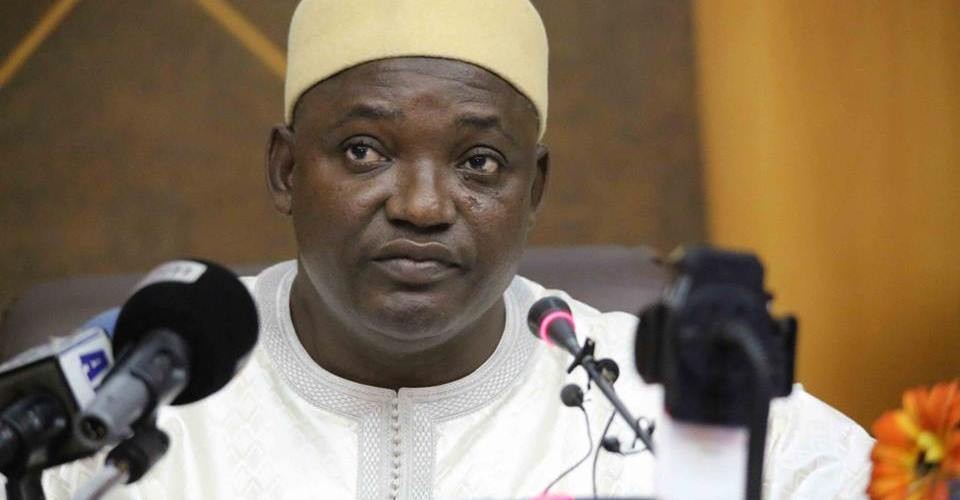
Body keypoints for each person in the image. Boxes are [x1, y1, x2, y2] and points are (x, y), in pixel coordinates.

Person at [41, 0, 873, 498]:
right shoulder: (131, 391)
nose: (423, 207)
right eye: (364, 150)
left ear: (533, 190)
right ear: (287, 169)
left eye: (479, 162)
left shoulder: (682, 400)